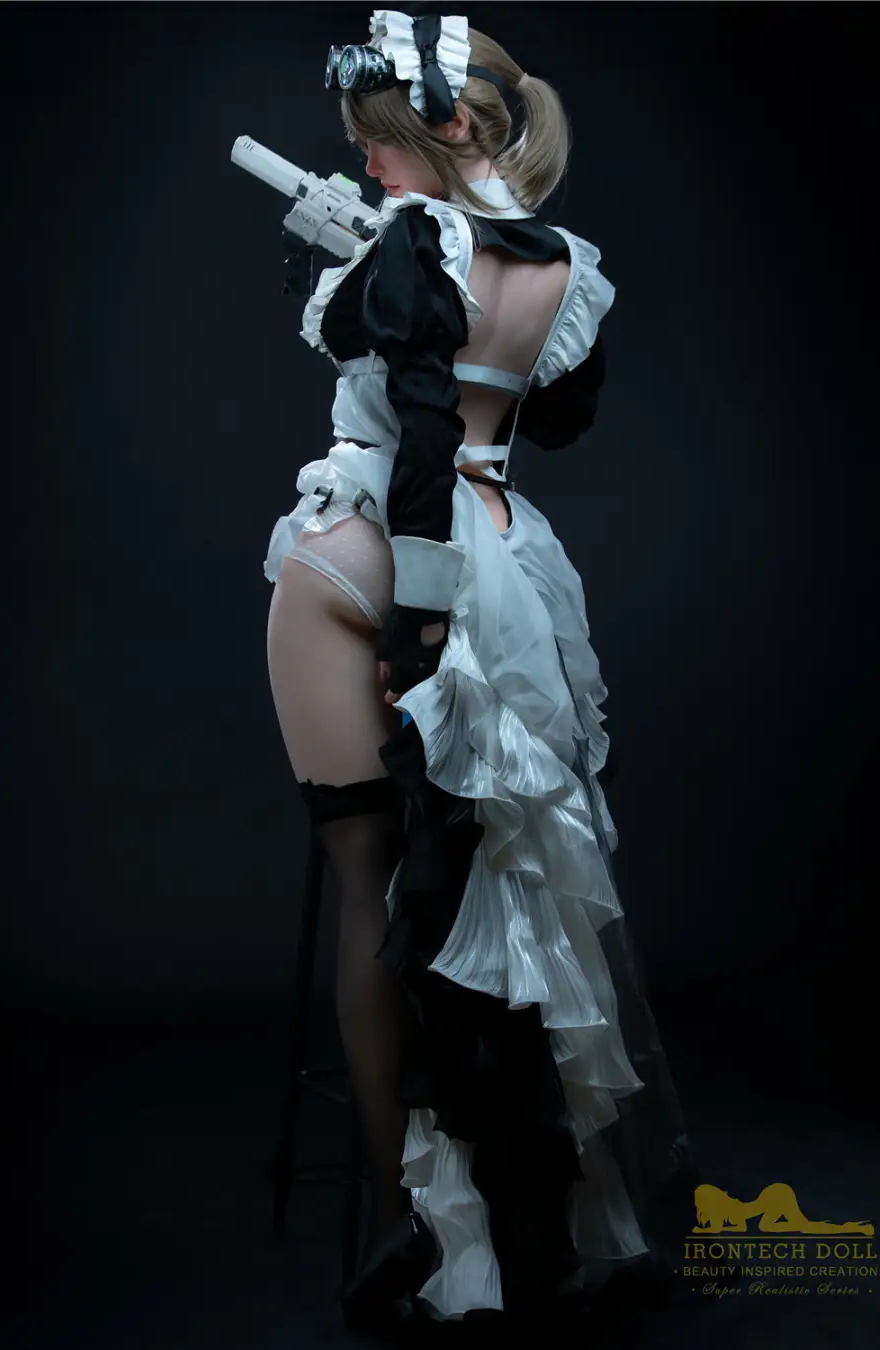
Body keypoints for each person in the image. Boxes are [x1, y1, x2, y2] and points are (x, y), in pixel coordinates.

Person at [264, 9, 699, 1337]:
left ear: (435, 129)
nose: (367, 166)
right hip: (505, 561)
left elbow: (410, 431)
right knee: (503, 877)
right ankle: (502, 1207)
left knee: (366, 883)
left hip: (371, 562)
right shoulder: (568, 267)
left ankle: (407, 1217)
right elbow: (546, 416)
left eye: (377, 144)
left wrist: (419, 626)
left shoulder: (407, 240)